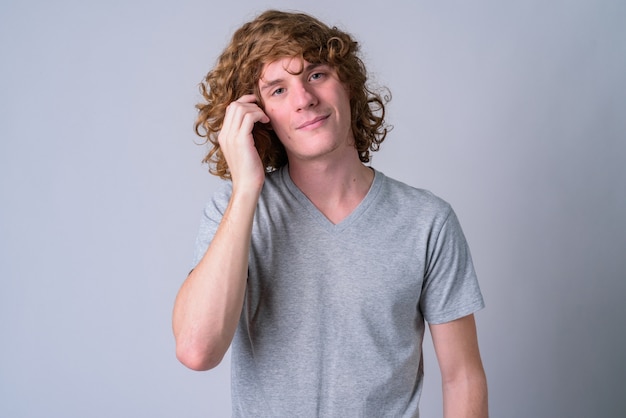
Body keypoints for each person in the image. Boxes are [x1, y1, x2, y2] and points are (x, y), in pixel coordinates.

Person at [173, 9, 488, 418]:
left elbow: (462, 376)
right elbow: (198, 350)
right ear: (256, 114)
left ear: (348, 86)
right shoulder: (233, 213)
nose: (305, 99)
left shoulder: (427, 221)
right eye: (278, 90)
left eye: (316, 75)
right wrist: (247, 188)